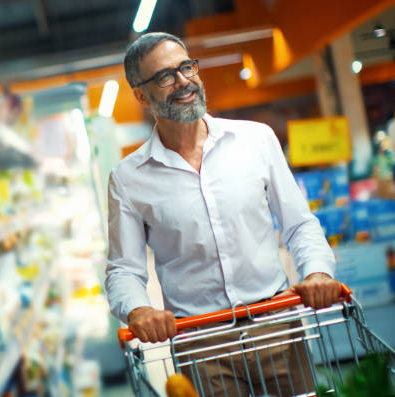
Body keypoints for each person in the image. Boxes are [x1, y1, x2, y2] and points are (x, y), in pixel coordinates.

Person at [105, 32, 341, 396]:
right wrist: (138, 311)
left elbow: (298, 225)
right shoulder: (128, 178)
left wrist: (318, 272)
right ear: (140, 94)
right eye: (165, 76)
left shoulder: (256, 140)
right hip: (202, 343)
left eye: (186, 67)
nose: (184, 81)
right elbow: (124, 269)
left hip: (278, 325)